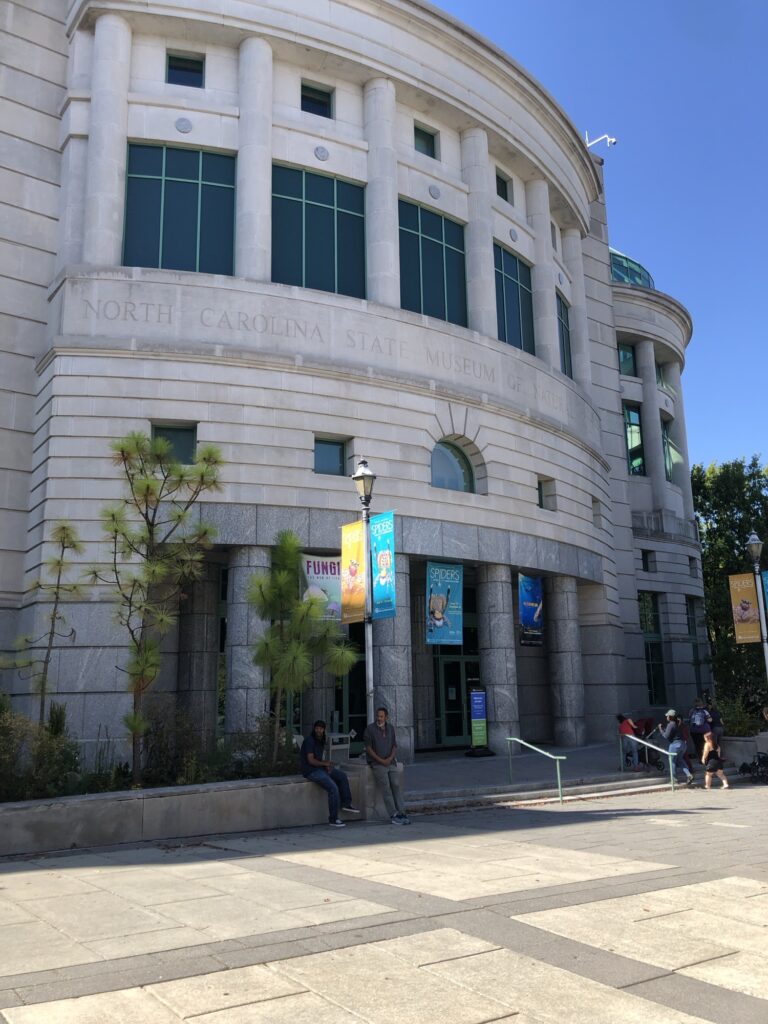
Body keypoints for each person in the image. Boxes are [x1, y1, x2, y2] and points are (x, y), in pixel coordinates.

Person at [300, 720, 360, 827]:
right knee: (333, 788)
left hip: (319, 768)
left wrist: (325, 765)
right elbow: (311, 760)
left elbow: (319, 758)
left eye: (321, 728)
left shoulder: (321, 740)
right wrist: (324, 764)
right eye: (317, 728)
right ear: (314, 729)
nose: (319, 730)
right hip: (310, 771)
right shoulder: (310, 740)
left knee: (342, 776)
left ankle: (346, 803)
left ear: (324, 730)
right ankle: (333, 818)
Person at [363, 706, 410, 825]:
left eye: (381, 716)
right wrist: (380, 760)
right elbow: (368, 749)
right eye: (378, 716)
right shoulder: (370, 729)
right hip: (377, 763)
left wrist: (389, 758)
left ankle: (402, 811)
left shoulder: (390, 728)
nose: (379, 718)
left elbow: (394, 745)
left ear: (386, 717)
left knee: (396, 785)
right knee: (386, 788)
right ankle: (393, 814)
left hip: (390, 762)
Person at [659, 709, 694, 786]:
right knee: (680, 760)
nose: (666, 717)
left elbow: (665, 736)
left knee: (672, 762)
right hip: (683, 745)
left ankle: (674, 780)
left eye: (667, 716)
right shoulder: (677, 723)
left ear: (670, 717)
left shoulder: (671, 724)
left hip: (675, 745)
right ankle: (689, 775)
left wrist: (660, 729)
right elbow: (671, 734)